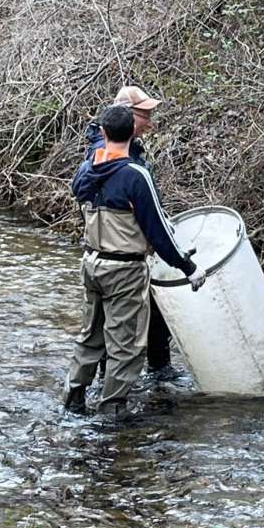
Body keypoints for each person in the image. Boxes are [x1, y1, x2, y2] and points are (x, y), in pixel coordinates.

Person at [64, 105, 206, 416]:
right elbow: (158, 232)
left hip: (91, 263)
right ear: (132, 132)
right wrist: (188, 268)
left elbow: (81, 197)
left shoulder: (86, 169)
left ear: (103, 133)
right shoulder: (135, 175)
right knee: (125, 345)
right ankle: (112, 412)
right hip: (125, 270)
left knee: (90, 337)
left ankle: (73, 401)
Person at [83, 85, 184, 380]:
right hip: (119, 253)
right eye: (144, 115)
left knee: (145, 312)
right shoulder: (105, 152)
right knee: (114, 323)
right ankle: (114, 386)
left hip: (118, 252)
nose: (149, 122)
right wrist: (184, 264)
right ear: (126, 116)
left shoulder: (123, 149)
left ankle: (156, 370)